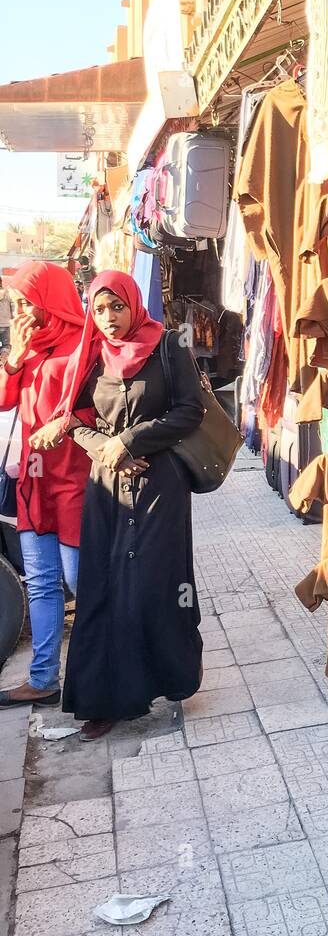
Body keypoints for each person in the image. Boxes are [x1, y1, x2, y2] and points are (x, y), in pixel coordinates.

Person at [31, 270, 205, 741]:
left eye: (117, 307)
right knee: (104, 586)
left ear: (133, 305)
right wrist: (107, 449)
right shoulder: (90, 356)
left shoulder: (167, 346)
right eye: (100, 309)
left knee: (155, 584)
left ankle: (168, 679)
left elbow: (191, 411)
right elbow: (75, 420)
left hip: (160, 486)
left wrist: (130, 440)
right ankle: (105, 700)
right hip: (107, 486)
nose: (108, 318)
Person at [0, 262, 90, 710]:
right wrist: (14, 356)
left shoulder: (84, 344)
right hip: (34, 482)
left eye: (24, 301)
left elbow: (105, 406)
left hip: (74, 480)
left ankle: (98, 676)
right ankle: (42, 678)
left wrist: (68, 422)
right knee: (40, 583)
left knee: (80, 581)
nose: (18, 310)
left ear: (48, 299)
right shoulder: (29, 347)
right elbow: (3, 399)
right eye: (14, 303)